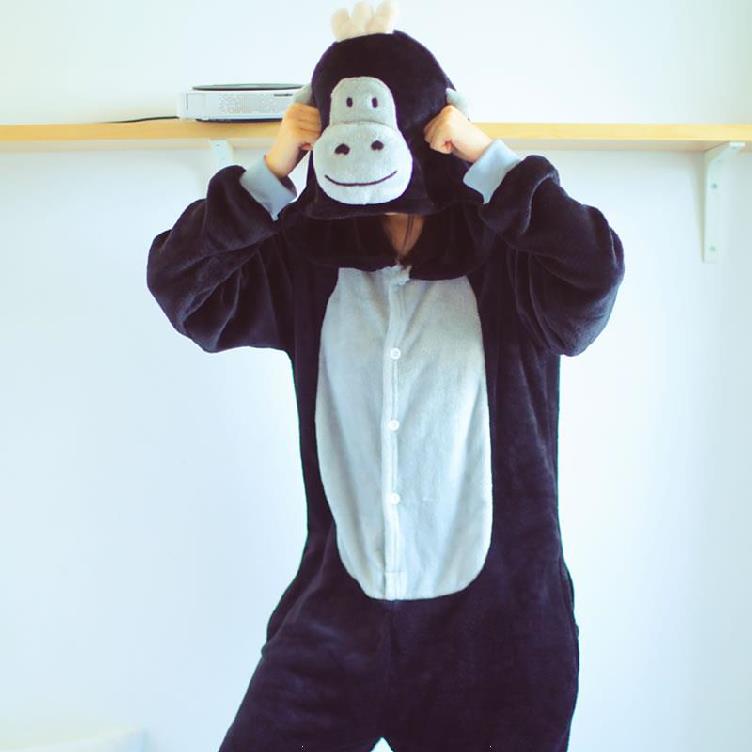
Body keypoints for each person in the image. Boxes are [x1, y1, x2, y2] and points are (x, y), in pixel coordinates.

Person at [146, 5, 625, 750]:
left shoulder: (510, 261)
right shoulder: (310, 264)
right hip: (336, 621)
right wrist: (269, 173)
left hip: (495, 635)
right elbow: (183, 289)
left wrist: (491, 157)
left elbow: (594, 275)